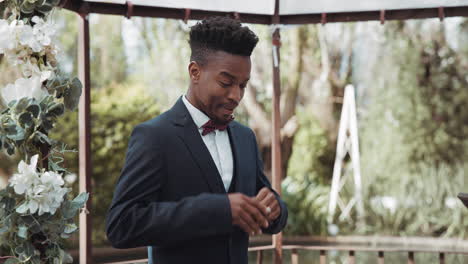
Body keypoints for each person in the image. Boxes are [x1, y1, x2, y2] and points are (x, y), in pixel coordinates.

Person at [105, 16, 288, 264]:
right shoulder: (155, 136)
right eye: (226, 83)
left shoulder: (245, 138)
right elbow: (121, 225)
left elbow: (264, 199)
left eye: (243, 85)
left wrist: (274, 208)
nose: (236, 96)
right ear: (195, 72)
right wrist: (217, 211)